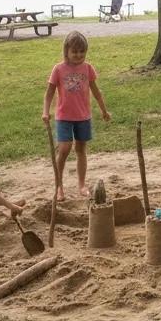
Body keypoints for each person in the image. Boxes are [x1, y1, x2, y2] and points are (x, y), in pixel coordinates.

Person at [42, 30, 111, 199]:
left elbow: (96, 91)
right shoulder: (58, 69)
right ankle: (59, 186)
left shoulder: (88, 69)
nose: (78, 55)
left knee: (81, 149)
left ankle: (81, 185)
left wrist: (103, 110)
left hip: (83, 116)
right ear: (66, 50)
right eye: (74, 51)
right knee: (64, 149)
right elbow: (49, 92)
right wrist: (45, 111)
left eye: (82, 51)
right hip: (64, 116)